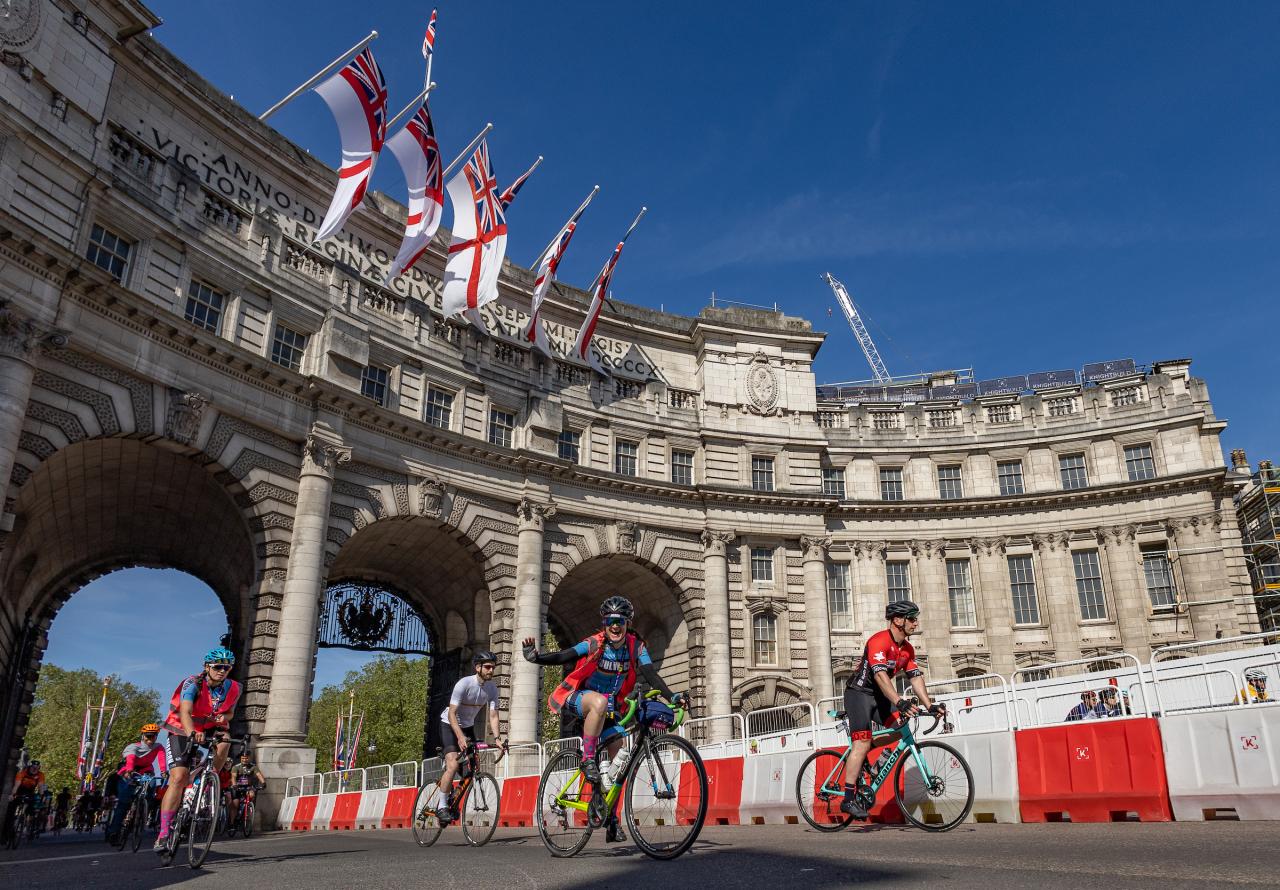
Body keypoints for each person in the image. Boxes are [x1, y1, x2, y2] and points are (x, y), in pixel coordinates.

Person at [523, 595, 685, 844]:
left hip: (610, 710)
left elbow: (650, 674)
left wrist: (671, 695)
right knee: (598, 701)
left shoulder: (635, 647)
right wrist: (536, 657)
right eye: (610, 621)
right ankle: (588, 759)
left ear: (628, 623)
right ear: (605, 623)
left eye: (620, 621)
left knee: (619, 759)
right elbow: (565, 656)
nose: (615, 626)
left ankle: (610, 819)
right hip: (580, 700)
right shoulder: (594, 643)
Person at [841, 600, 939, 819]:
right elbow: (879, 675)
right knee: (862, 741)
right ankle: (848, 799)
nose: (916, 623)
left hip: (881, 697)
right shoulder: (879, 641)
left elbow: (915, 677)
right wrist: (899, 701)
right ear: (897, 620)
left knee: (899, 730)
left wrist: (929, 705)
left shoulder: (907, 649)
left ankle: (864, 753)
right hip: (859, 694)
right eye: (912, 618)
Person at [154, 646, 241, 852]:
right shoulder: (192, 683)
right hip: (182, 730)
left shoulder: (234, 687)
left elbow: (229, 713)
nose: (222, 671)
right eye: (218, 666)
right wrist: (192, 731)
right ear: (207, 666)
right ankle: (164, 833)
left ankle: (209, 779)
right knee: (178, 778)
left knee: (225, 739)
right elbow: (185, 710)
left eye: (227, 668)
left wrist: (224, 718)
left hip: (210, 728)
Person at [424, 649, 504, 824]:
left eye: (493, 667)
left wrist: (498, 739)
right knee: (452, 765)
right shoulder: (464, 684)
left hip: (468, 727)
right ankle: (442, 806)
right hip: (449, 725)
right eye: (488, 667)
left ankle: (453, 797)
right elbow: (452, 713)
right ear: (478, 667)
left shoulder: (492, 689)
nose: (491, 670)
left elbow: (493, 715)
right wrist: (460, 737)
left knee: (471, 770)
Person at [105, 722, 167, 844]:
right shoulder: (134, 747)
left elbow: (161, 759)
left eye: (153, 736)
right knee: (124, 803)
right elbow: (131, 759)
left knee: (153, 783)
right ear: (143, 736)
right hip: (130, 771)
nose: (150, 739)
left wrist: (164, 771)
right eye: (148, 736)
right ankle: (114, 832)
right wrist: (129, 770)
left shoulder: (158, 747)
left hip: (146, 772)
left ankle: (143, 807)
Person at [4, 760, 45, 843]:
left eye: (37, 768)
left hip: (30, 792)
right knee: (11, 808)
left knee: (32, 809)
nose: (34, 770)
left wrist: (41, 796)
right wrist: (13, 794)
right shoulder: (22, 773)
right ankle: (9, 828)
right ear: (30, 767)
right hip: (20, 791)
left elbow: (40, 787)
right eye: (33, 768)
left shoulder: (40, 775)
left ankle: (29, 824)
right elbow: (16, 785)